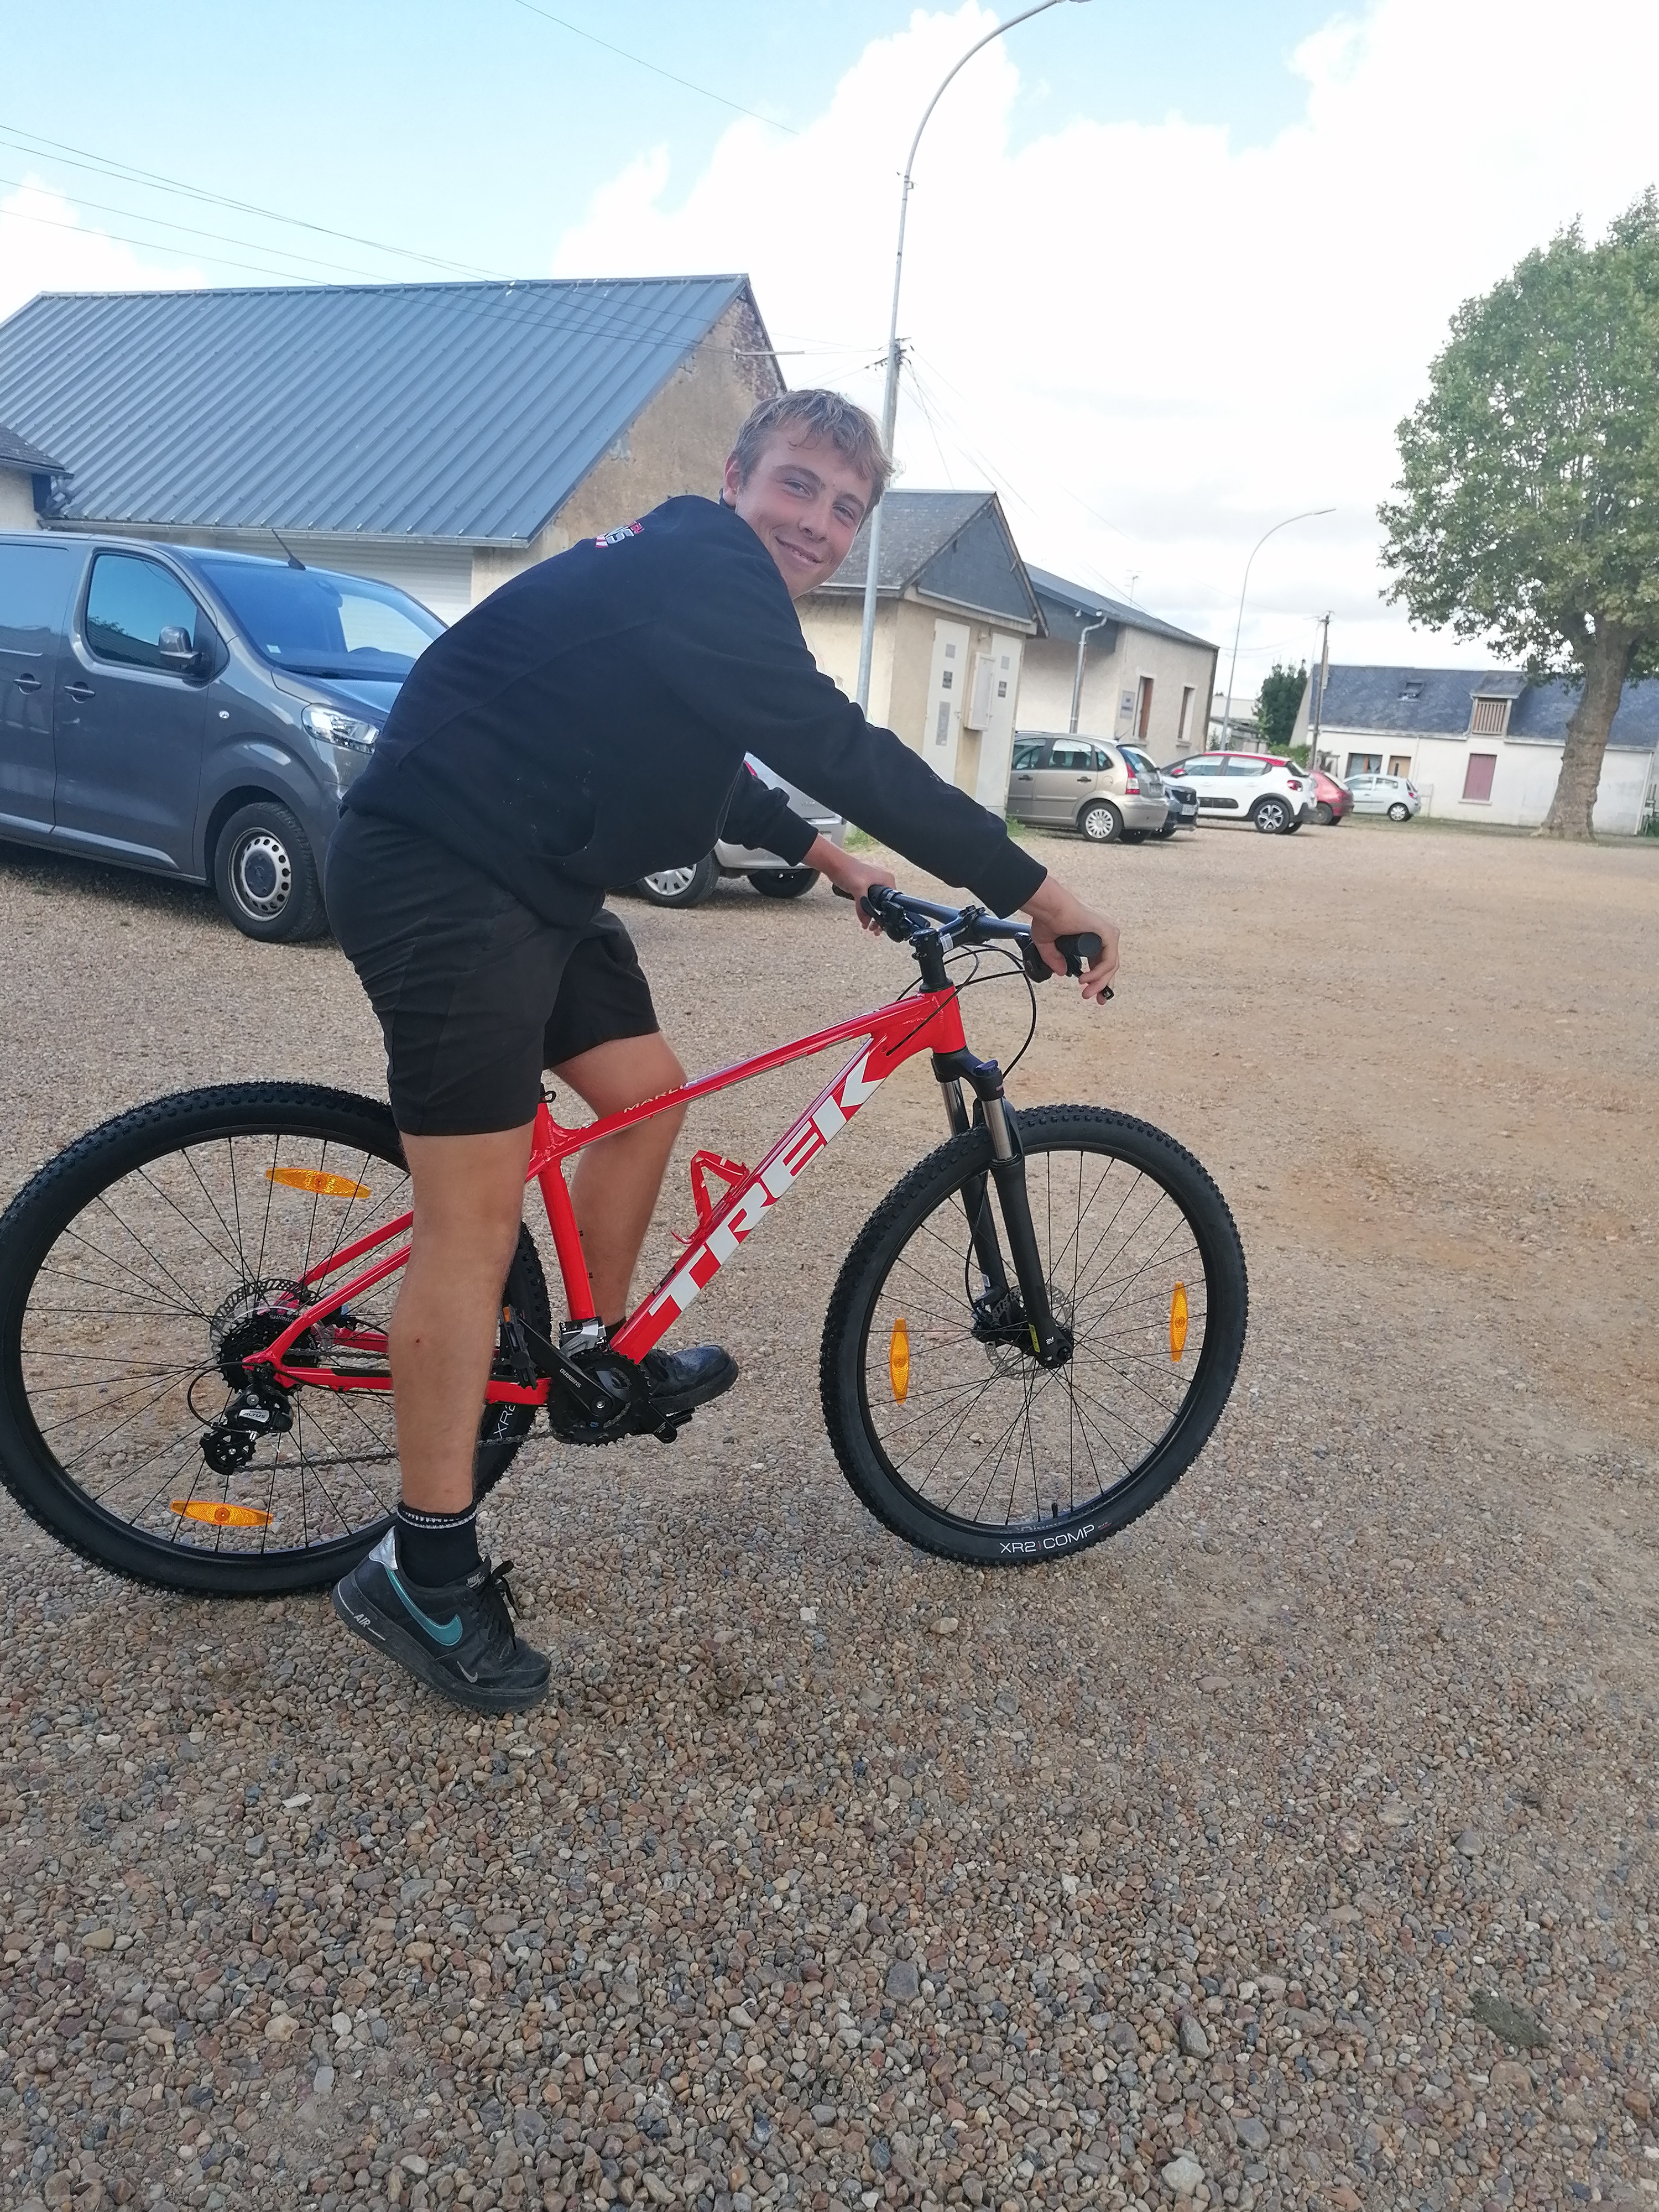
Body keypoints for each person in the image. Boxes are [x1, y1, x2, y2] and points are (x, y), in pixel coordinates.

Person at [327, 388, 1119, 1712]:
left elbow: (714, 759)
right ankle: (423, 1570)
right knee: (472, 1223)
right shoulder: (704, 561)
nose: (817, 521)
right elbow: (840, 746)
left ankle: (594, 1351)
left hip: (527, 876)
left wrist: (833, 861)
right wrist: (1041, 889)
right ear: (736, 476)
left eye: (845, 507)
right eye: (797, 484)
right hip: (442, 875)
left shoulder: (688, 582)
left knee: (646, 1093)